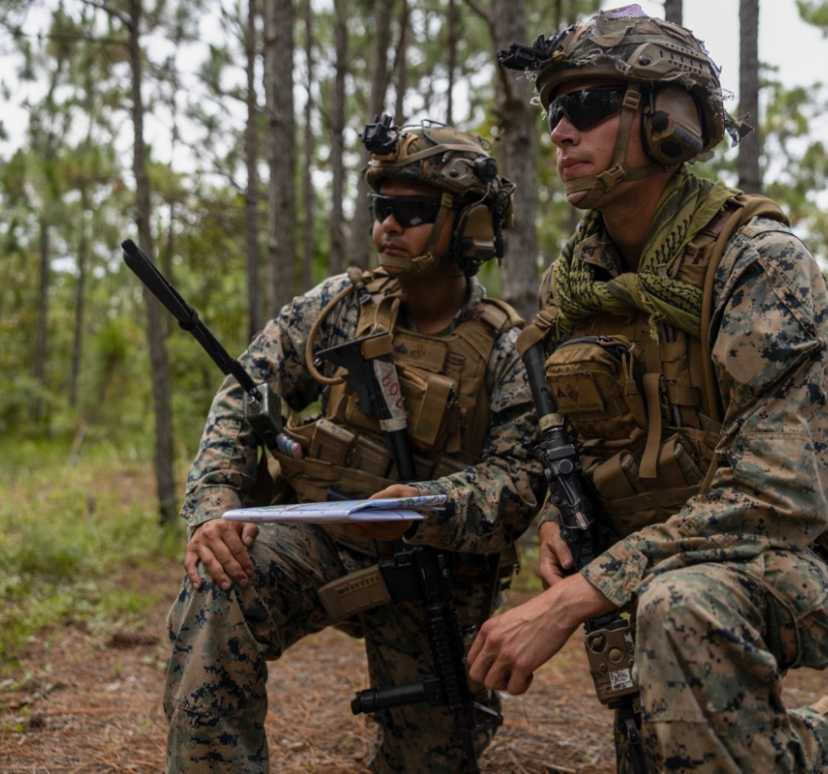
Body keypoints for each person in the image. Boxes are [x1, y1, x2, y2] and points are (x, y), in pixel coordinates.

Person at [469, 7, 828, 773]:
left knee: (678, 608)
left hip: (769, 566)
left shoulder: (758, 263)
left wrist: (578, 596)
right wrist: (562, 524)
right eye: (554, 109)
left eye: (588, 106)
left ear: (668, 121)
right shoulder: (582, 279)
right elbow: (571, 433)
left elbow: (777, 497)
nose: (562, 132)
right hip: (644, 569)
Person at [163, 118, 544, 774]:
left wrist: (430, 504)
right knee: (219, 585)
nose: (389, 226)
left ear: (471, 227)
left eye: (414, 210)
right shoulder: (339, 305)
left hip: (435, 579)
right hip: (324, 551)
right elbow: (246, 389)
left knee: (431, 756)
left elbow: (521, 481)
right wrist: (215, 502)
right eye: (381, 208)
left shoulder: (507, 347)